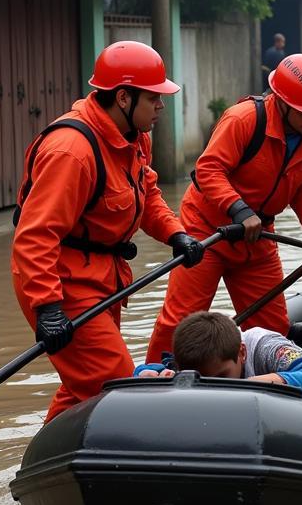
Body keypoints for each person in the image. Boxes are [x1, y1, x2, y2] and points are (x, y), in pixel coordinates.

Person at [11, 41, 204, 422]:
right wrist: (48, 307)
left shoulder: (134, 137)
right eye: (154, 99)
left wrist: (175, 233)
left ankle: (39, 468)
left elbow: (145, 193)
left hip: (102, 277)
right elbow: (35, 236)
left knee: (81, 388)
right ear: (123, 98)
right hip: (61, 284)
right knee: (114, 385)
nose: (162, 108)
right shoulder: (72, 152)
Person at [146, 54, 302, 364]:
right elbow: (208, 170)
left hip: (258, 236)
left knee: (273, 326)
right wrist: (239, 210)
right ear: (283, 102)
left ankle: (267, 385)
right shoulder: (243, 119)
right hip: (208, 232)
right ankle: (154, 379)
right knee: (179, 321)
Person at [136, 312, 302, 402]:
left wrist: (254, 384)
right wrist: (150, 375)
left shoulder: (266, 348)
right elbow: (152, 369)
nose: (214, 387)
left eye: (222, 377)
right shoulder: (192, 362)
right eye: (204, 380)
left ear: (242, 353)